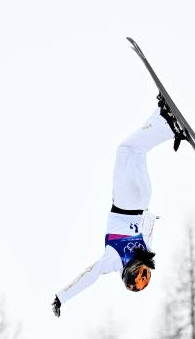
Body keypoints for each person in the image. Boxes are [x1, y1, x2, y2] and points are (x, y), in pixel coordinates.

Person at [52, 95, 187, 317]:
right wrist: (61, 297)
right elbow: (90, 275)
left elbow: (149, 224)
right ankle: (167, 124)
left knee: (137, 151)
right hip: (125, 200)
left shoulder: (146, 251)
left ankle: (163, 117)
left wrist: (63, 297)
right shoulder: (114, 260)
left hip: (143, 199)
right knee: (126, 149)